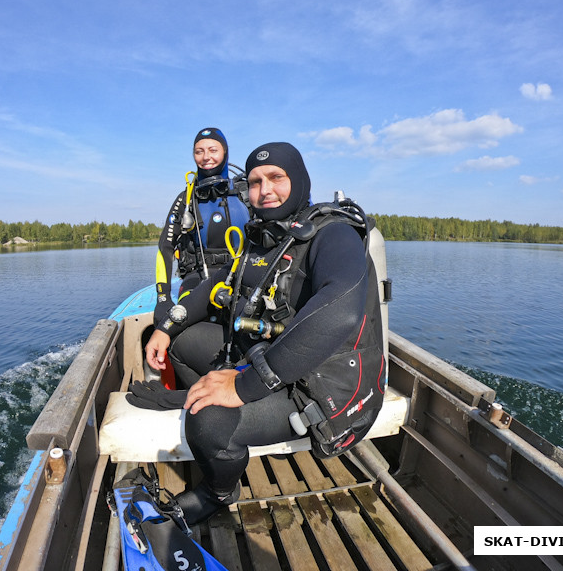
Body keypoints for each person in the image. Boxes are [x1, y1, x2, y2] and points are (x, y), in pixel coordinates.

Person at [141, 142, 386, 525]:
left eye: (276, 178)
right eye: (254, 181)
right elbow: (217, 284)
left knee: (208, 422)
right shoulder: (266, 236)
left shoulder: (333, 233)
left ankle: (218, 491)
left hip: (321, 385)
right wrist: (166, 328)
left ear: (300, 180)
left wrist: (241, 388)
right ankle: (208, 405)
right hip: (266, 358)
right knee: (184, 343)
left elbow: (339, 313)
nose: (264, 189)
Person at [153, 128, 251, 325]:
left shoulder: (246, 193)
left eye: (213, 150)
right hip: (196, 277)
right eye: (199, 151)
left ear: (225, 151)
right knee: (179, 329)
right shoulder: (186, 198)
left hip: (241, 275)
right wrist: (163, 298)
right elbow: (165, 247)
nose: (206, 157)